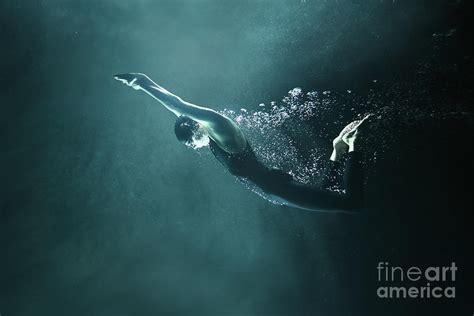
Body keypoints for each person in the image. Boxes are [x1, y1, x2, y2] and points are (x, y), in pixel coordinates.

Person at [114, 73, 370, 213]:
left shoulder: (221, 128)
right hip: (276, 192)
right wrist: (149, 86)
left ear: (195, 127)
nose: (193, 147)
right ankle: (339, 148)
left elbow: (180, 106)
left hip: (279, 189)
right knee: (328, 193)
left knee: (351, 203)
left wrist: (144, 84)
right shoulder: (208, 134)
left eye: (190, 142)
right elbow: (178, 107)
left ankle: (354, 144)